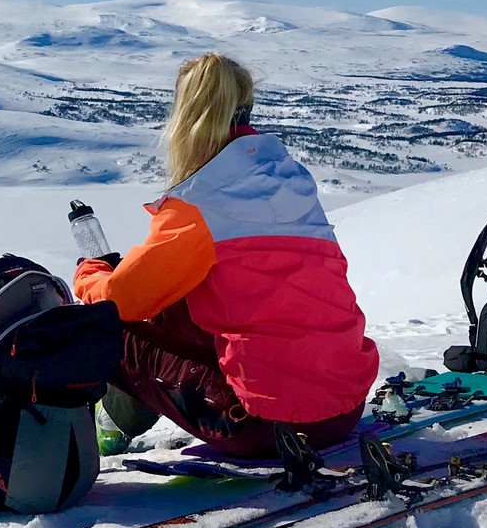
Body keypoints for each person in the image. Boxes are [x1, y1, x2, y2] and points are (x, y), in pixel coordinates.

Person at [73, 53, 380, 456]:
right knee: (177, 305)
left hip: (266, 426)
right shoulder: (289, 180)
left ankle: (103, 432)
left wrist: (89, 273)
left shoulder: (200, 201)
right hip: (344, 410)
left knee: (98, 326)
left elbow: (120, 301)